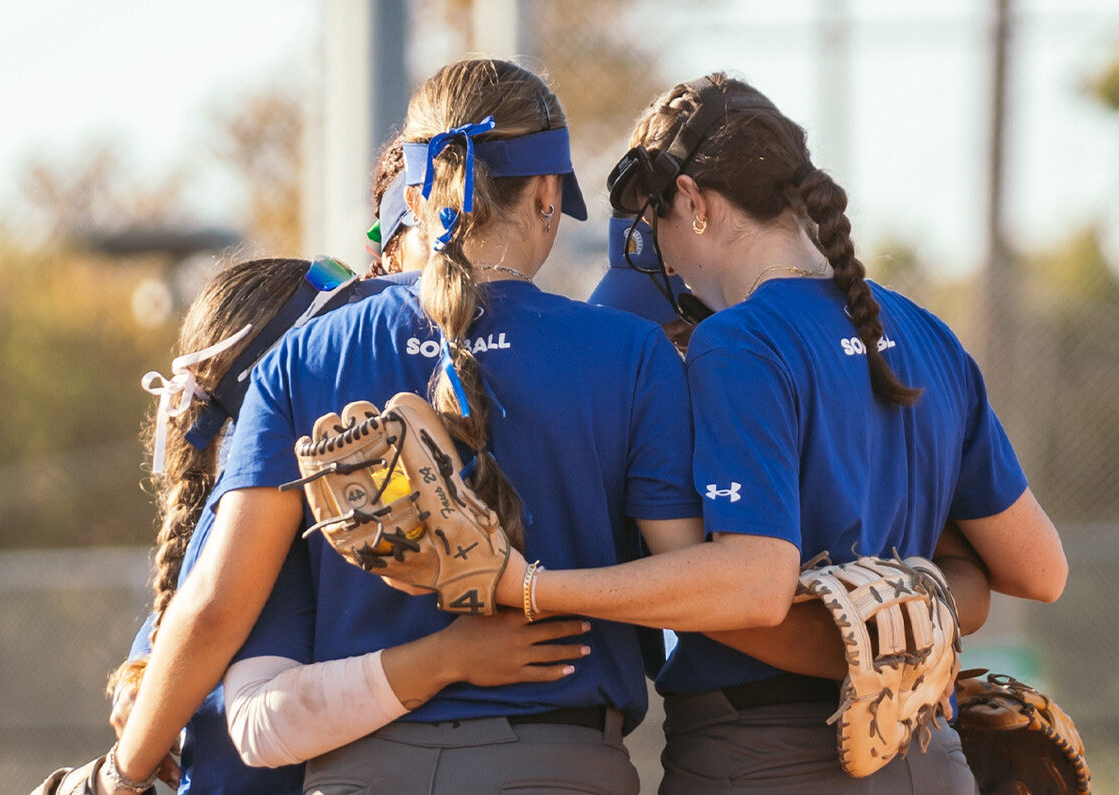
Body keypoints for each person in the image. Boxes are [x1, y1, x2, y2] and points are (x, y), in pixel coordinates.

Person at [202, 57, 817, 793]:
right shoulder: (626, 352)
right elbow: (694, 582)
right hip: (557, 763)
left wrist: (128, 766)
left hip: (362, 768)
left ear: (416, 194)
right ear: (548, 194)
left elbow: (217, 606)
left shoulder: (308, 352)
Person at [583, 73, 1069, 793]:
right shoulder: (924, 330)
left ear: (692, 200)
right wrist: (931, 600)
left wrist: (542, 590)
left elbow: (747, 591)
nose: (663, 254)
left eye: (657, 223)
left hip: (767, 751)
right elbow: (1040, 569)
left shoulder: (737, 342)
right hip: (928, 753)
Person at [101, 254, 585, 795]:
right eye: (331, 347)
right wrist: (452, 657)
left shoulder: (232, 519)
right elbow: (263, 720)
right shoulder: (270, 522)